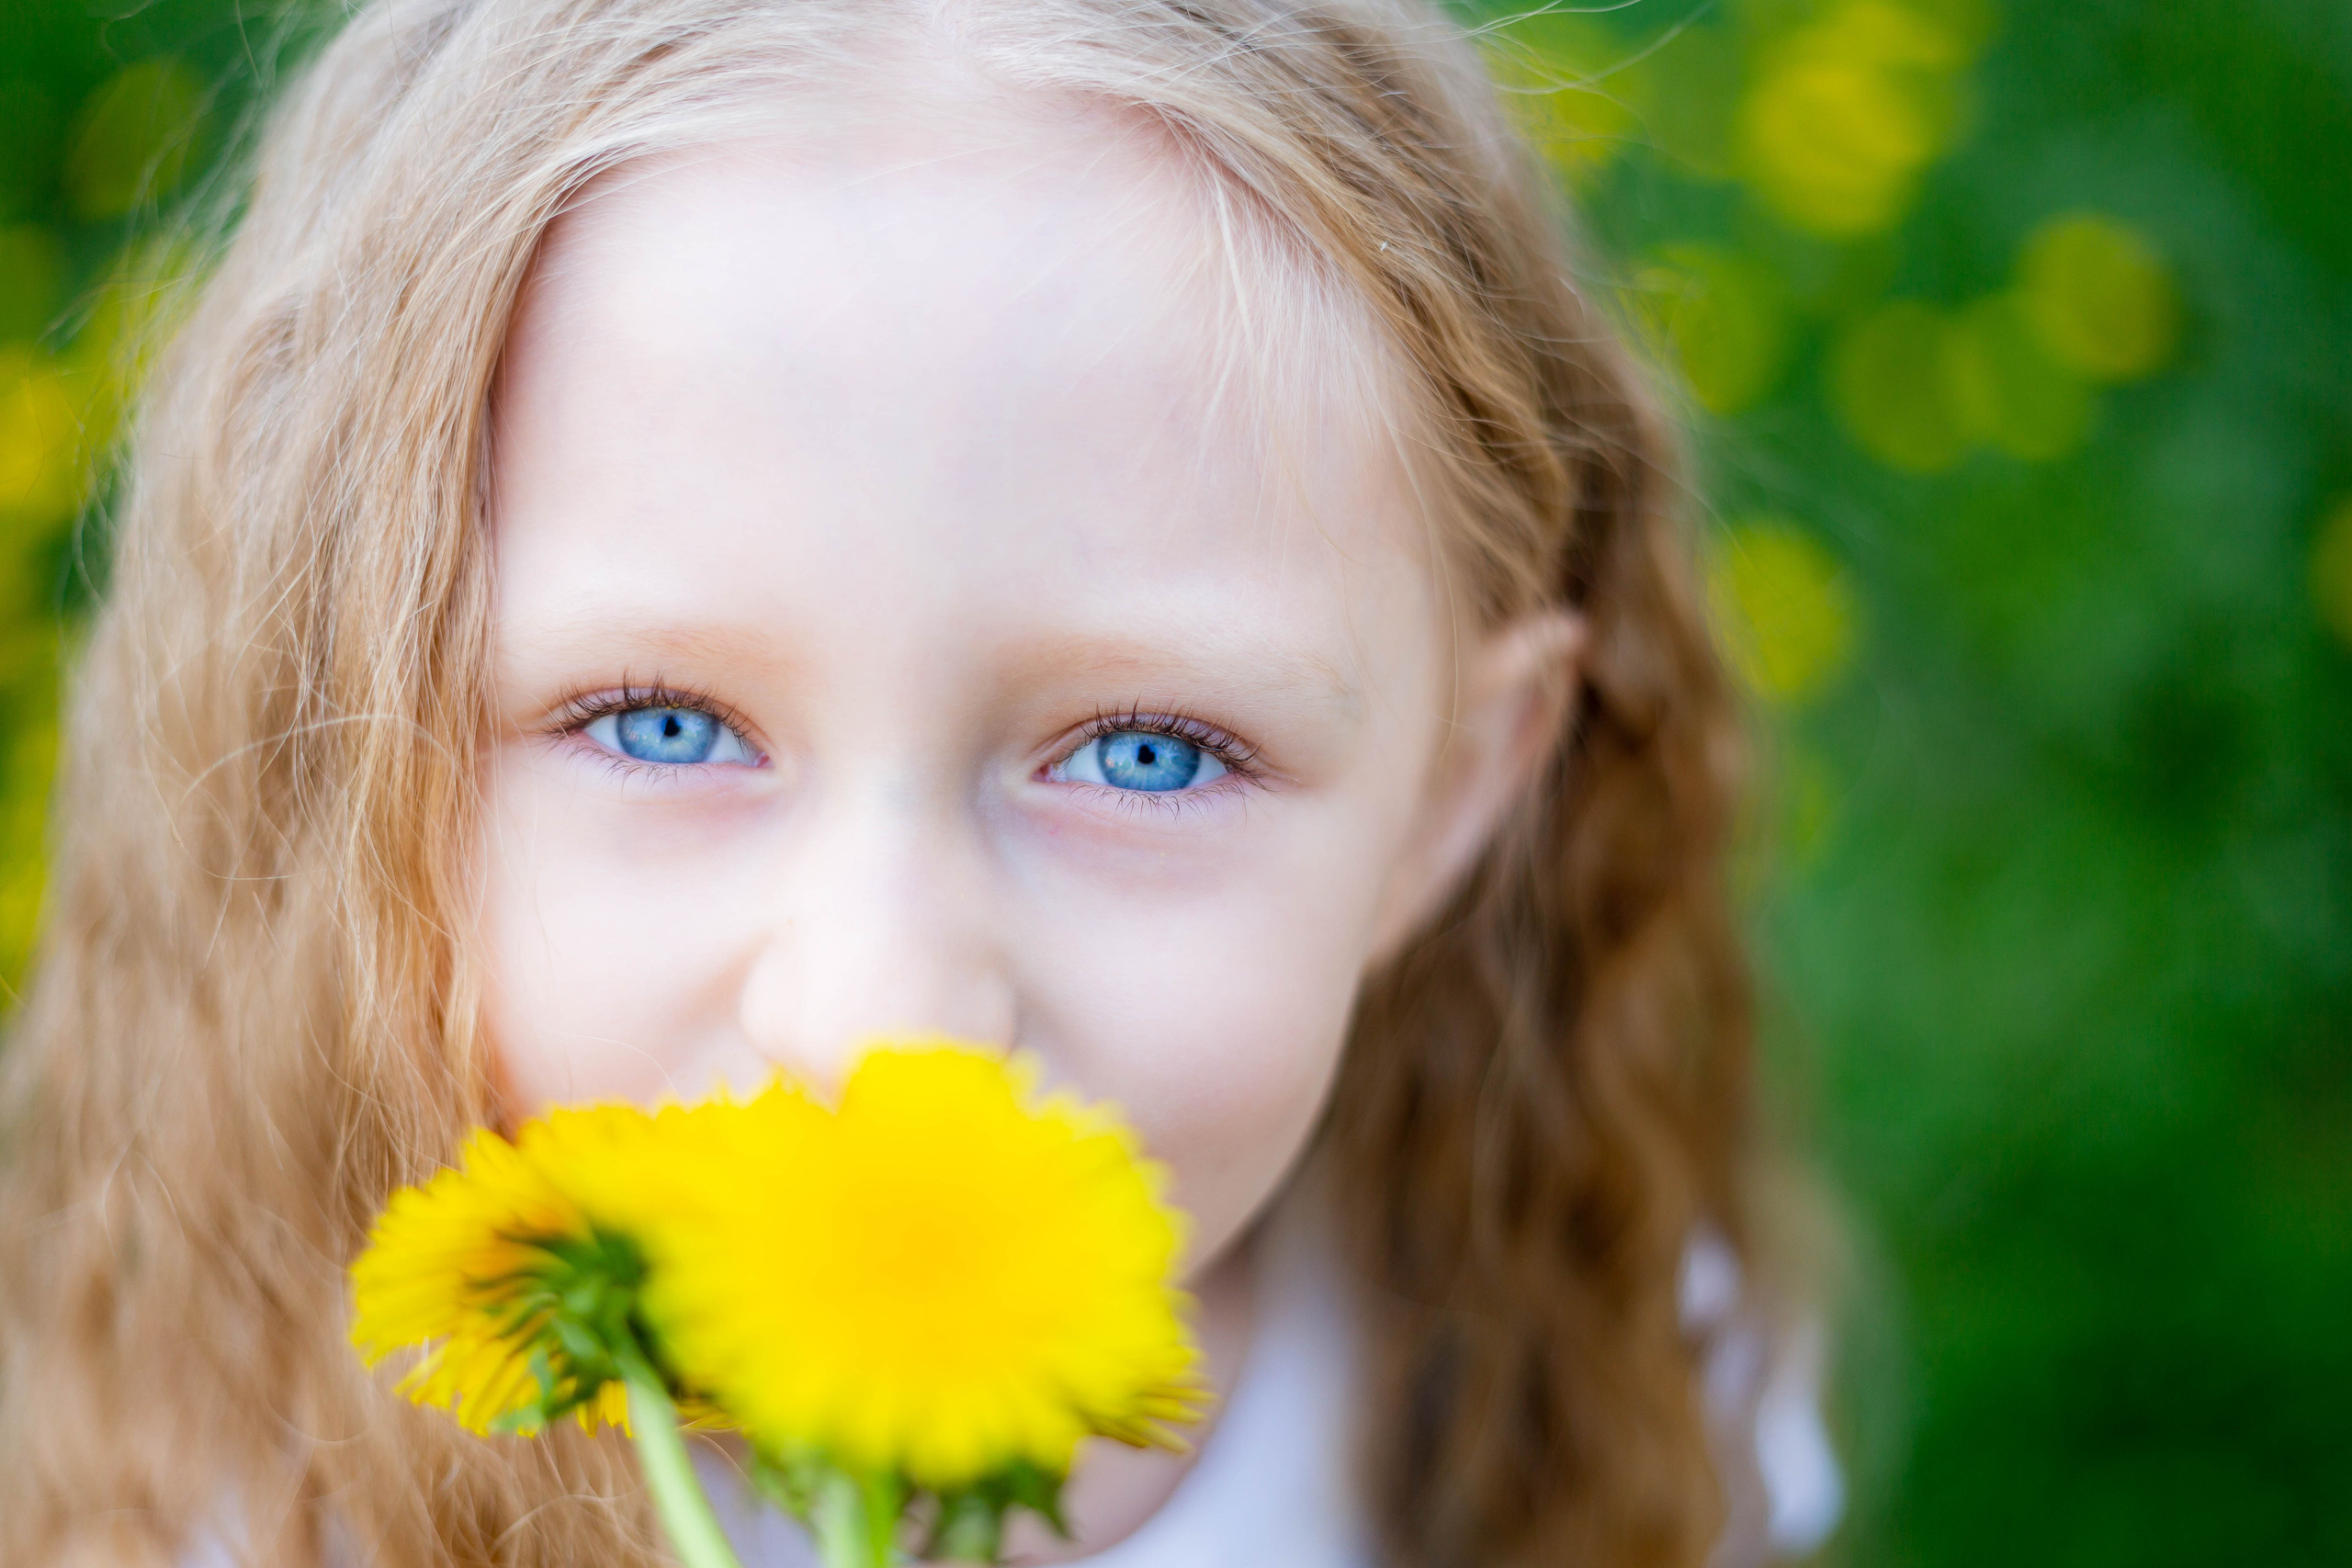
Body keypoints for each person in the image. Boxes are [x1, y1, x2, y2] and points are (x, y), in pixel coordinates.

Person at [0, 1, 1841, 1564]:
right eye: (661, 722)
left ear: (1449, 795)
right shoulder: (240, 1501)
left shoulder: (1588, 1408)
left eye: (1147, 752)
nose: (881, 1012)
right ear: (346, 731)